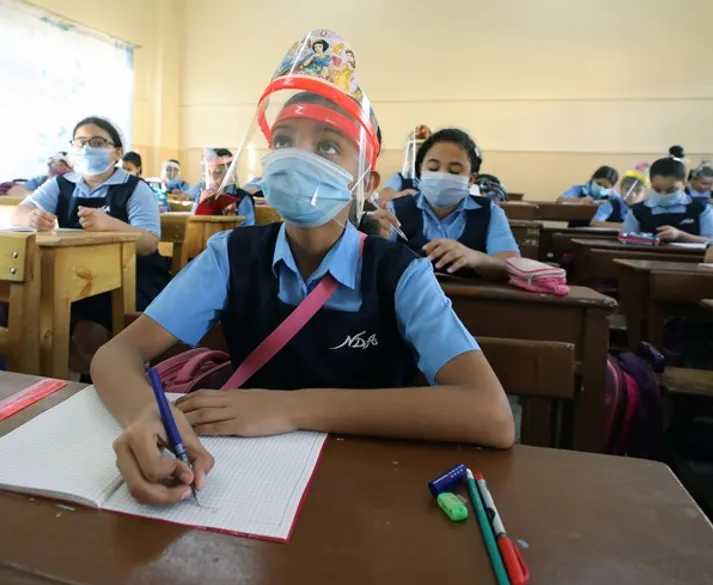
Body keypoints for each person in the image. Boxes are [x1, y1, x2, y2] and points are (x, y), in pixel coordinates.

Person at [90, 30, 514, 506]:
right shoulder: (231, 255)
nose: (297, 157)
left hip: (365, 488)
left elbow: (492, 414)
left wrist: (292, 407)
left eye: (329, 146)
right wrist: (145, 416)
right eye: (286, 141)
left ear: (366, 181)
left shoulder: (400, 274)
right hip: (242, 482)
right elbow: (114, 356)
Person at [11, 116, 170, 377]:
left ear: (117, 152)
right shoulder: (62, 184)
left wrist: (110, 223)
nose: (87, 149)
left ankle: (114, 383)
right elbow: (21, 211)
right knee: (30, 316)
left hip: (133, 276)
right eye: (81, 142)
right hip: (71, 276)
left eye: (97, 142)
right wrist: (30, 218)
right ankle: (55, 381)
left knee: (88, 332)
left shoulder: (134, 188)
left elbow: (149, 242)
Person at [386, 128, 519, 280]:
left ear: (470, 179)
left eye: (454, 171)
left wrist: (476, 258)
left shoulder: (489, 213)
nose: (442, 175)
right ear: (421, 170)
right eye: (433, 168)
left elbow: (512, 266)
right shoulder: (396, 210)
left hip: (472, 302)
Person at [621, 156, 713, 243]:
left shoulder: (702, 209)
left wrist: (681, 236)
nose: (663, 195)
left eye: (671, 190)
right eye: (657, 190)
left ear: (684, 183)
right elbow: (627, 240)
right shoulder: (636, 212)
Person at [189, 148, 256, 226]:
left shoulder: (242, 199)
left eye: (217, 172)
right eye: (209, 173)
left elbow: (248, 231)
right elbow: (192, 225)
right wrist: (202, 206)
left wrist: (233, 221)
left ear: (230, 174)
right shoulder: (202, 196)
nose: (212, 178)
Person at [378, 124, 431, 202]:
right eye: (415, 153)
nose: (419, 158)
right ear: (408, 156)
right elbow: (381, 199)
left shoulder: (437, 179)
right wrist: (403, 194)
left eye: (424, 153)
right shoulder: (400, 178)